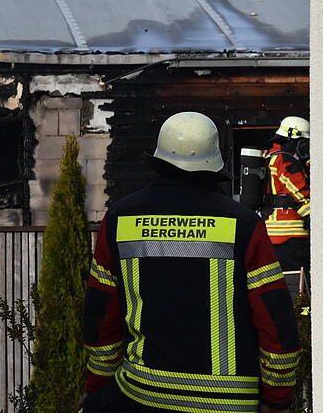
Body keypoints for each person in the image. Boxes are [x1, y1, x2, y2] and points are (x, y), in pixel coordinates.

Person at [81, 112, 302, 413]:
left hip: (144, 396)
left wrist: (97, 390)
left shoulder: (120, 219)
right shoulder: (243, 224)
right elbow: (275, 321)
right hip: (229, 403)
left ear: (157, 159)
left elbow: (101, 317)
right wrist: (277, 400)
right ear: (215, 164)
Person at [263, 116, 311, 293]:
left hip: (273, 232)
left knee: (284, 282)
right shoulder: (286, 160)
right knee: (300, 285)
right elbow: (299, 191)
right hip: (292, 234)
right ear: (292, 138)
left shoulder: (270, 156)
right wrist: (313, 216)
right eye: (303, 143)